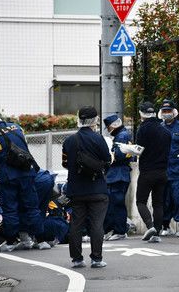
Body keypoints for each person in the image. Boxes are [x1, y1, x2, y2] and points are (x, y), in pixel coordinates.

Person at [0, 115, 44, 252]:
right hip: (27, 172)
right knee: (32, 207)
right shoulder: (17, 128)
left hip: (7, 177)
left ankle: (11, 241)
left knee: (10, 209)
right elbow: (24, 146)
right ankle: (40, 239)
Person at [62, 106, 111, 268]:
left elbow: (65, 163)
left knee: (76, 224)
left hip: (76, 190)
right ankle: (96, 259)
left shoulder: (69, 141)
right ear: (95, 120)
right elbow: (107, 160)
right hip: (97, 188)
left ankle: (77, 259)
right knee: (97, 224)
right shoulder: (98, 139)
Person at [135, 101, 171, 243]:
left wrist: (128, 150)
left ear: (142, 113)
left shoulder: (143, 129)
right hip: (162, 172)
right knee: (158, 203)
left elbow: (139, 150)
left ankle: (150, 226)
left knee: (141, 201)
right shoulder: (165, 131)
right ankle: (157, 232)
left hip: (147, 172)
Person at [158, 99, 179, 236]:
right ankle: (166, 226)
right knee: (164, 199)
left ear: (174, 112)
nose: (166, 113)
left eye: (169, 111)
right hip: (163, 169)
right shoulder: (159, 127)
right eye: (164, 111)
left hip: (178, 169)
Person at [103, 114, 133, 241]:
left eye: (109, 127)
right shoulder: (122, 135)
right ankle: (114, 229)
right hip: (117, 174)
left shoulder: (122, 136)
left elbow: (120, 155)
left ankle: (120, 230)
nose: (109, 130)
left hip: (118, 175)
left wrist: (110, 155)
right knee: (114, 203)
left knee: (117, 203)